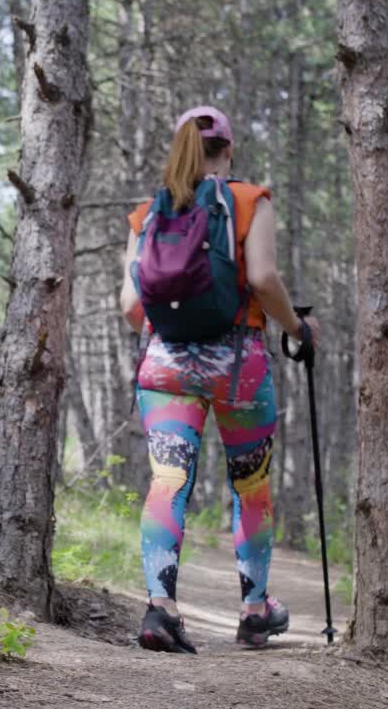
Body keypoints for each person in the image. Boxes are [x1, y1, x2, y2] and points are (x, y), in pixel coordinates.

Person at [120, 106, 320, 653]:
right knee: (250, 487)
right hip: (237, 368)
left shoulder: (148, 214)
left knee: (168, 482)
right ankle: (255, 611)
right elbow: (261, 278)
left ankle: (160, 609)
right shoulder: (250, 202)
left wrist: (175, 329)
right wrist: (299, 327)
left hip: (165, 369)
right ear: (228, 150)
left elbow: (131, 307)